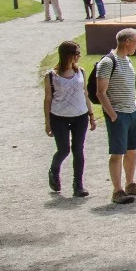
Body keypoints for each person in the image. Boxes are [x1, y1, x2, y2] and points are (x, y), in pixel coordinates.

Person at [96, 27, 136, 205]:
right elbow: (101, 92)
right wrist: (113, 115)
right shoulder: (108, 62)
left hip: (133, 113)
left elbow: (131, 88)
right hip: (119, 114)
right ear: (127, 42)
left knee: (132, 151)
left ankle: (130, 183)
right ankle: (117, 191)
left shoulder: (128, 61)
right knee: (118, 153)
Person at [44, 39, 95, 198]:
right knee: (64, 149)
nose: (79, 56)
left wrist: (91, 115)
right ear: (68, 55)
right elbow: (47, 99)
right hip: (59, 116)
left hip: (80, 115)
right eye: (77, 53)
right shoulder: (51, 76)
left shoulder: (81, 71)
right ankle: (54, 170)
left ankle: (78, 185)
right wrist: (47, 122)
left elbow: (85, 94)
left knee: (78, 149)